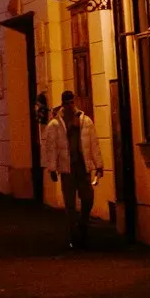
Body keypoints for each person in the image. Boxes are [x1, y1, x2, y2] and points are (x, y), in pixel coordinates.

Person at [42, 88, 103, 247]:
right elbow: (51, 147)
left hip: (83, 167)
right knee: (70, 203)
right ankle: (74, 234)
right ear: (63, 103)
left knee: (88, 198)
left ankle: (82, 223)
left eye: (71, 102)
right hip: (66, 168)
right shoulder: (55, 124)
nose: (69, 105)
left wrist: (98, 165)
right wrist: (52, 168)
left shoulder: (85, 121)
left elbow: (93, 144)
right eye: (67, 102)